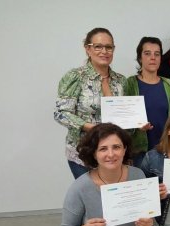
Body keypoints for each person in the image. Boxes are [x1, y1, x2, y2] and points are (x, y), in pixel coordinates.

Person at [61, 123, 160, 226]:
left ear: (125, 149)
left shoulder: (137, 175)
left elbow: (145, 217)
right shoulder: (80, 187)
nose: (111, 154)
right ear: (94, 153)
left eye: (116, 147)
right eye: (103, 149)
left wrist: (147, 225)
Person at [54, 28, 126, 179]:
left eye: (108, 47)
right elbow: (61, 113)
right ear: (88, 49)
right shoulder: (75, 77)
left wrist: (137, 124)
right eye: (98, 46)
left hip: (113, 155)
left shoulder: (121, 81)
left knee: (112, 198)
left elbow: (124, 114)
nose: (104, 51)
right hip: (83, 154)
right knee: (92, 198)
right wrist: (91, 128)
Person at [124, 37, 170, 167]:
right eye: (147, 53)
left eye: (157, 54)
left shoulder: (169, 85)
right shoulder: (129, 84)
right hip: (138, 153)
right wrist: (135, 126)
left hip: (166, 150)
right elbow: (122, 120)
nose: (153, 57)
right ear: (140, 58)